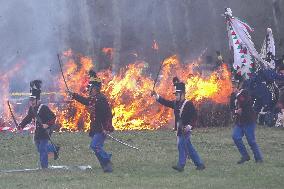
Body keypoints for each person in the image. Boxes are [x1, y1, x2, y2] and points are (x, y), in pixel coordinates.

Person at [152, 82, 205, 172]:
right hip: (179, 130)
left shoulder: (188, 104)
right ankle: (199, 164)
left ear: (182, 94)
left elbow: (195, 117)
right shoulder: (176, 103)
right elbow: (166, 102)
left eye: (177, 94)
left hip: (186, 130)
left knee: (181, 145)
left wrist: (189, 126)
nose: (176, 96)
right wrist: (156, 95)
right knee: (189, 147)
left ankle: (181, 165)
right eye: (175, 94)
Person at [68, 79, 114, 173]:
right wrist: (73, 95)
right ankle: (106, 166)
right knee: (97, 147)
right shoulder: (94, 98)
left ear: (95, 89)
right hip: (95, 128)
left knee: (94, 146)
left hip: (101, 129)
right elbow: (85, 101)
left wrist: (106, 128)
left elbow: (108, 115)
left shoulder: (101, 99)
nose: (88, 89)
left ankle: (107, 159)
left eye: (90, 87)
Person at [18, 80, 60, 169]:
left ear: (37, 99)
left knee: (42, 149)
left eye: (33, 100)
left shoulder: (44, 108)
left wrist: (47, 125)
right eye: (31, 100)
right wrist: (21, 125)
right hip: (37, 132)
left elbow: (53, 118)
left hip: (45, 131)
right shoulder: (32, 109)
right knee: (39, 148)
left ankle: (44, 168)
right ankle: (54, 148)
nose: (31, 102)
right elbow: (28, 118)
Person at [232, 89, 263, 164]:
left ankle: (258, 158)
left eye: (235, 83)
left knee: (251, 141)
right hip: (239, 122)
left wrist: (237, 95)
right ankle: (245, 156)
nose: (233, 85)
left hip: (248, 121)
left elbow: (245, 102)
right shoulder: (233, 95)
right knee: (235, 137)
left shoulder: (245, 91)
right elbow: (231, 107)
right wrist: (235, 111)